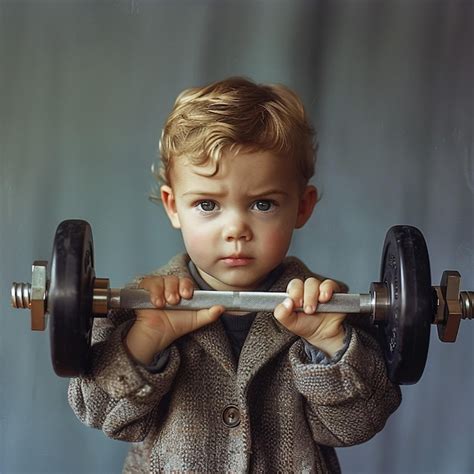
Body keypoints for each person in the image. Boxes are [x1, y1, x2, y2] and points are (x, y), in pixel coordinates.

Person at [68, 77, 401, 473]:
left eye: (262, 204)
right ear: (173, 206)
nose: (236, 229)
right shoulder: (137, 310)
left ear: (302, 206)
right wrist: (146, 340)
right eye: (208, 204)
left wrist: (328, 343)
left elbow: (357, 425)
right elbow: (100, 414)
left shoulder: (329, 311)